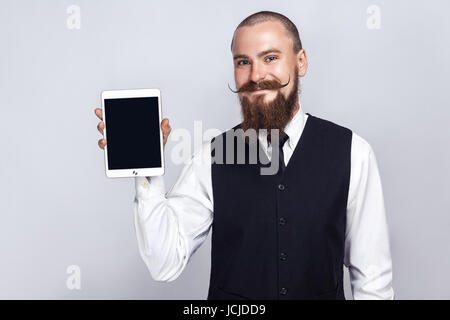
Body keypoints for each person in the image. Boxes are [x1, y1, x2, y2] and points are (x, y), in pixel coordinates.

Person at [94, 11, 394, 300]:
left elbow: (372, 277)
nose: (256, 75)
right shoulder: (211, 156)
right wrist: (147, 174)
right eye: (242, 62)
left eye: (271, 58)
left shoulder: (353, 152)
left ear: (300, 62)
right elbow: (164, 264)